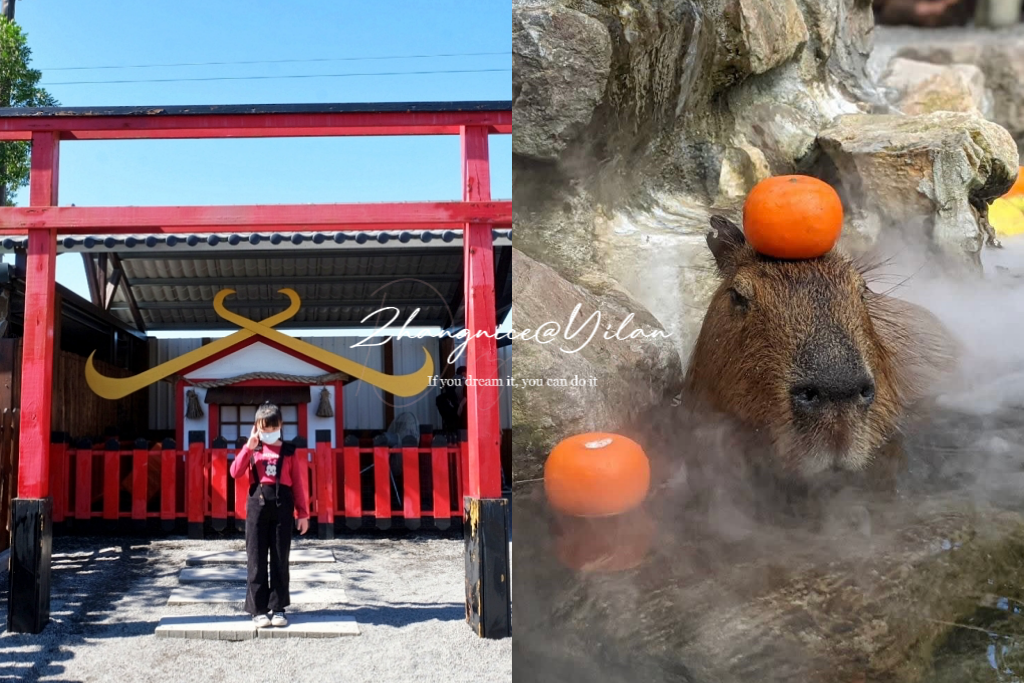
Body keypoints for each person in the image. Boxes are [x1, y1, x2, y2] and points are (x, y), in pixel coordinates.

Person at [229, 402, 310, 628]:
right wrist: (248, 446)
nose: (269, 432)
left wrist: (303, 513)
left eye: (273, 427)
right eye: (264, 428)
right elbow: (235, 472)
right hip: (257, 506)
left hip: (283, 506)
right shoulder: (253, 450)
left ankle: (279, 608)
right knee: (255, 559)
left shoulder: (289, 451)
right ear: (257, 427)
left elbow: (299, 484)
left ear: (280, 425)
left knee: (279, 558)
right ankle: (258, 609)